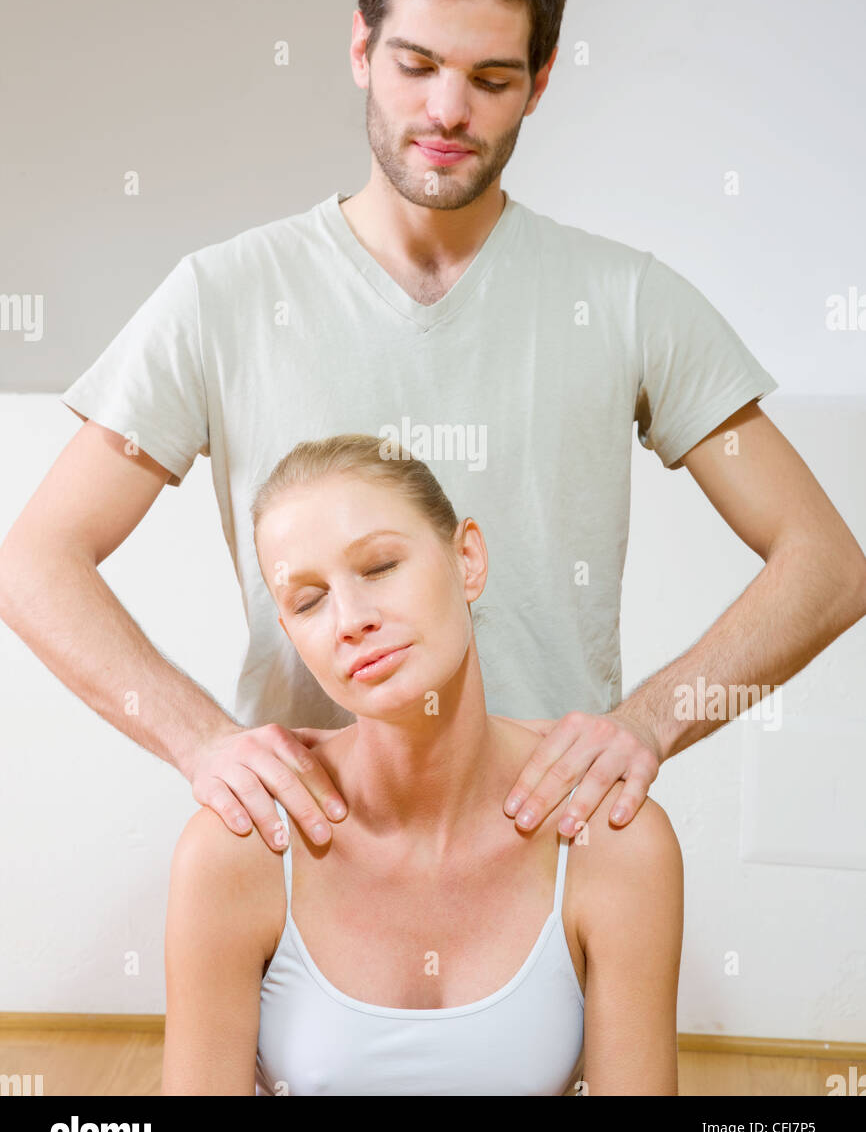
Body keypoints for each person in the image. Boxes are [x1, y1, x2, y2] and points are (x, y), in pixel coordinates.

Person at [1, 0, 863, 860]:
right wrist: (201, 739)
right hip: (308, 859)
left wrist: (647, 724)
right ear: (361, 51)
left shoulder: (626, 298)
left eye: (492, 79)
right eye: (417, 65)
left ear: (539, 83)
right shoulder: (223, 293)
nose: (447, 110)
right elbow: (35, 561)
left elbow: (826, 566)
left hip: (541, 858)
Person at [161, 435, 684, 1095]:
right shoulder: (236, 847)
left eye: (380, 566)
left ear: (467, 559)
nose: (350, 619)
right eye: (308, 600)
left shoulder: (613, 839)